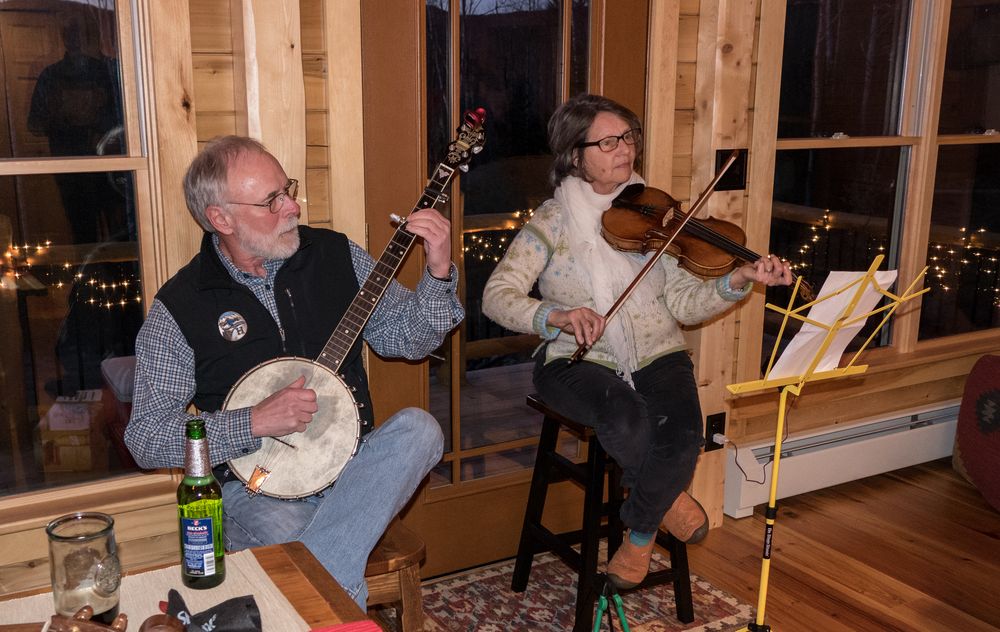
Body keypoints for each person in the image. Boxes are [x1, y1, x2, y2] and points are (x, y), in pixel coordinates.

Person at [125, 135, 463, 607]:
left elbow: (406, 340)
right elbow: (145, 438)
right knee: (317, 552)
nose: (293, 207)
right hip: (256, 490)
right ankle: (338, 599)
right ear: (221, 219)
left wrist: (440, 270)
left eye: (289, 189)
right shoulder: (180, 308)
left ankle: (320, 582)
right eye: (272, 200)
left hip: (354, 469)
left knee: (422, 430)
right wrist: (252, 422)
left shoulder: (336, 256)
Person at [482, 93, 792, 590]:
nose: (624, 149)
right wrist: (555, 315)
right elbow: (496, 296)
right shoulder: (552, 222)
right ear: (574, 155)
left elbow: (684, 305)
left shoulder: (655, 215)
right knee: (625, 414)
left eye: (627, 137)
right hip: (575, 360)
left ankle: (640, 535)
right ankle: (669, 502)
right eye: (607, 141)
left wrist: (736, 281)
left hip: (656, 351)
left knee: (684, 430)